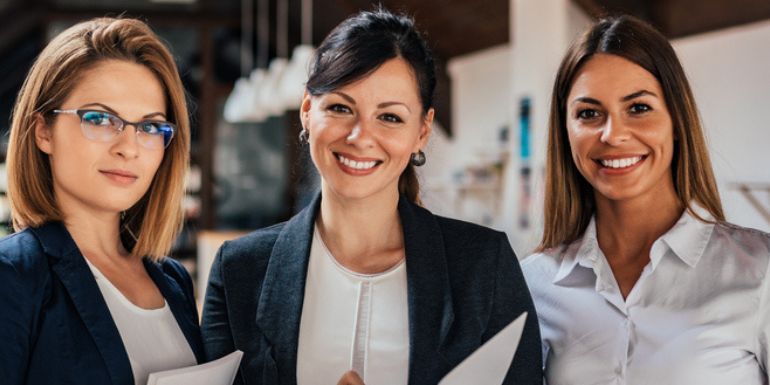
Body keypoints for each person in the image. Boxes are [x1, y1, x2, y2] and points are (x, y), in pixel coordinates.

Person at [201, 8, 542, 385]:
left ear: (422, 131)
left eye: (390, 117)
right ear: (307, 111)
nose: (360, 137)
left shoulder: (483, 266)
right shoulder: (239, 271)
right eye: (340, 108)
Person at [522, 14, 770, 384]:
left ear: (676, 120)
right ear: (566, 131)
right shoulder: (533, 284)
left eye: (638, 108)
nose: (613, 134)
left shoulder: (760, 271)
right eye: (589, 114)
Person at [0, 18, 202, 385]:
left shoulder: (172, 281)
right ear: (43, 131)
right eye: (99, 118)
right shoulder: (12, 276)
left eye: (150, 127)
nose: (128, 147)